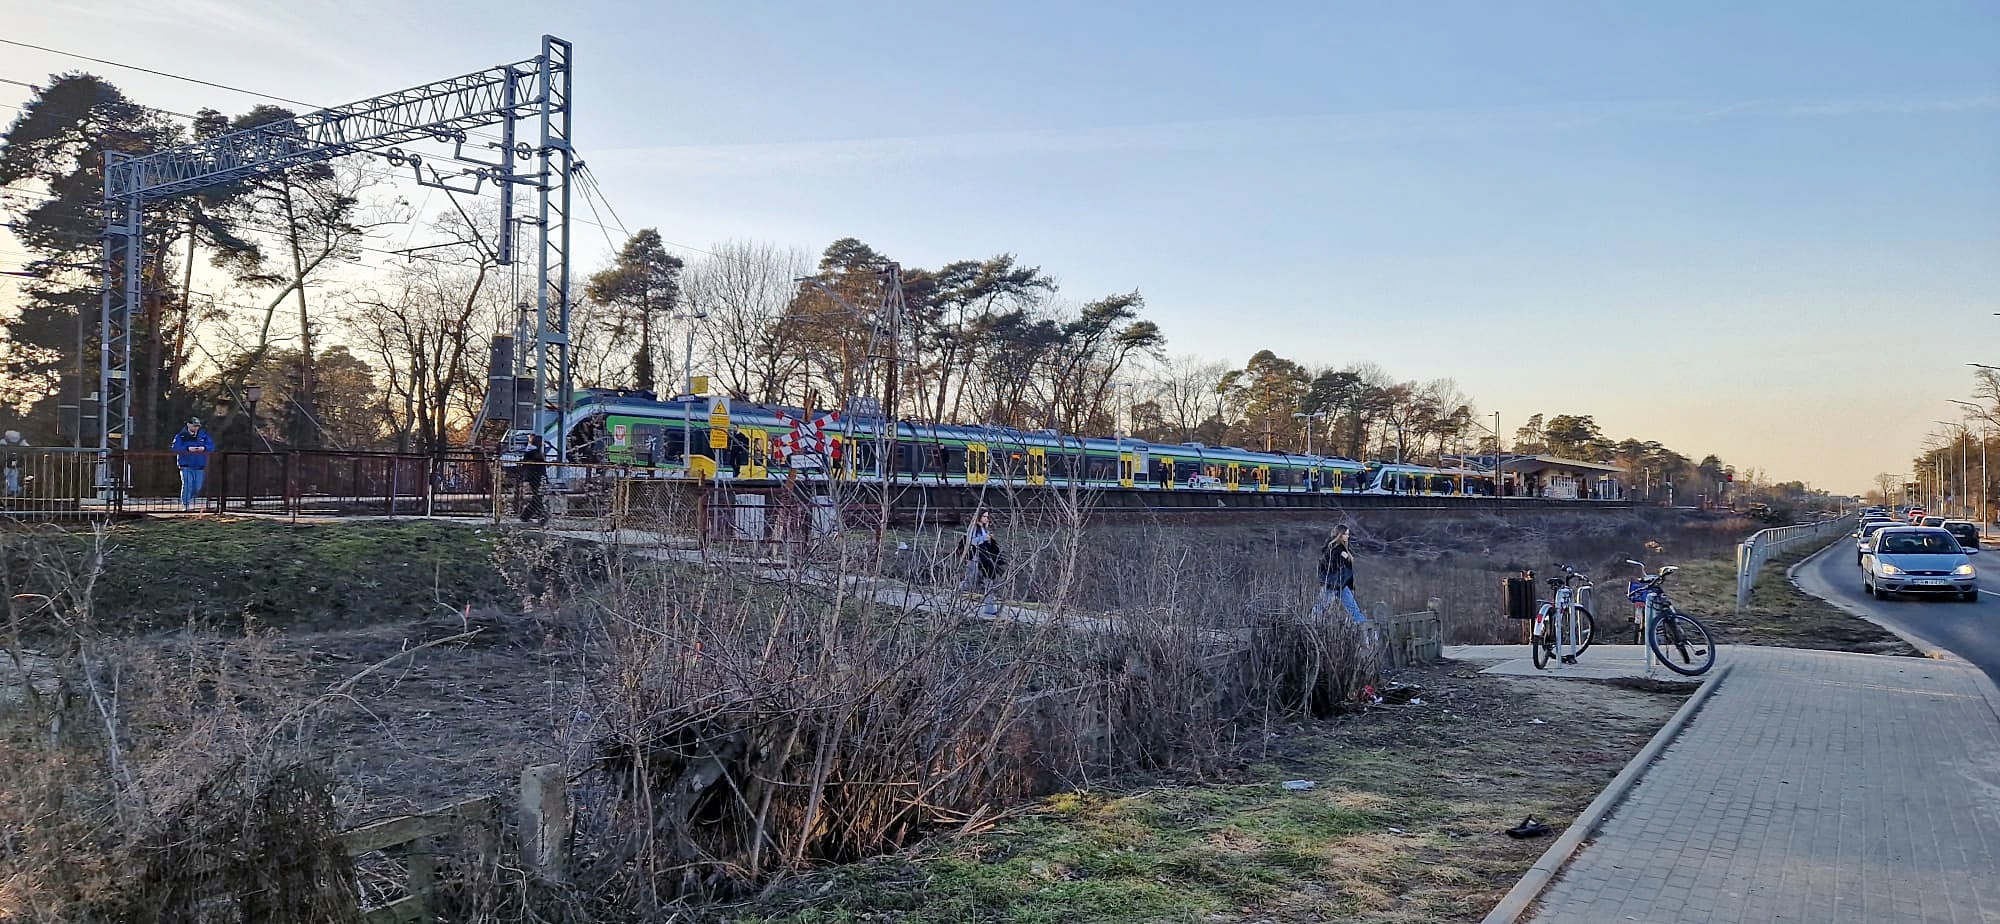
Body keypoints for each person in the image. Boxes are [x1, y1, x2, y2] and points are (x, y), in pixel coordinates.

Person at [1312, 524, 1367, 623]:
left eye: (1348, 534)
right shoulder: (1332, 549)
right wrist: (1340, 556)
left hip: (1342, 584)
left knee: (1353, 607)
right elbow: (1329, 566)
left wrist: (1349, 585)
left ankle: (1364, 626)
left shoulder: (1344, 548)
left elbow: (1347, 570)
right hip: (1331, 584)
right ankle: (1310, 624)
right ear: (1340, 535)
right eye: (1345, 534)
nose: (1347, 536)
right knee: (1321, 607)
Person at [171, 417, 216, 511]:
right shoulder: (181, 436)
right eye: (194, 426)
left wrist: (204, 448)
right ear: (188, 424)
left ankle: (188, 499)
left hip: (200, 465)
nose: (196, 428)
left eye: (198, 426)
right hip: (186, 465)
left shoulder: (204, 436)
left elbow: (211, 446)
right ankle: (185, 504)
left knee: (197, 487)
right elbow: (175, 448)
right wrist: (187, 449)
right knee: (187, 485)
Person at [958, 509, 1005, 594]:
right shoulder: (974, 528)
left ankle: (989, 591)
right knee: (971, 578)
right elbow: (972, 541)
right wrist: (985, 537)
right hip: (975, 555)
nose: (986, 518)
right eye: (984, 516)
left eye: (987, 516)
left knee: (988, 573)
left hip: (984, 555)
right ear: (979, 517)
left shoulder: (984, 528)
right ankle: (960, 592)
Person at [517, 433, 549, 523]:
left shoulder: (532, 451)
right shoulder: (534, 452)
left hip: (536, 477)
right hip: (536, 477)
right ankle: (541, 514)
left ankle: (526, 515)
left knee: (538, 497)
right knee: (538, 497)